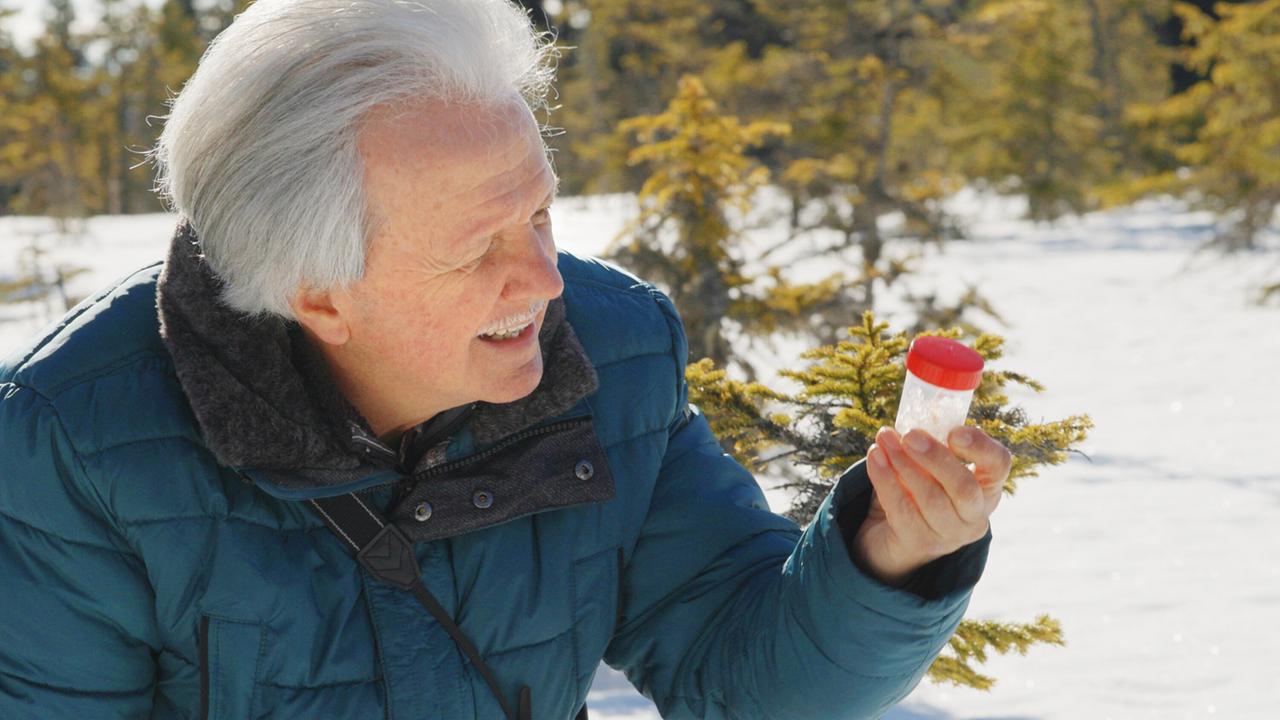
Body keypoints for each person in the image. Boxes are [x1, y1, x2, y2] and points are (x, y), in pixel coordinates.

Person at [0, 1, 1008, 718]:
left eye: (537, 213)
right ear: (316, 291)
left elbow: (740, 679)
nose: (542, 278)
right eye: (478, 246)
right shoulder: (68, 446)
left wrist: (890, 560)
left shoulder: (612, 351)